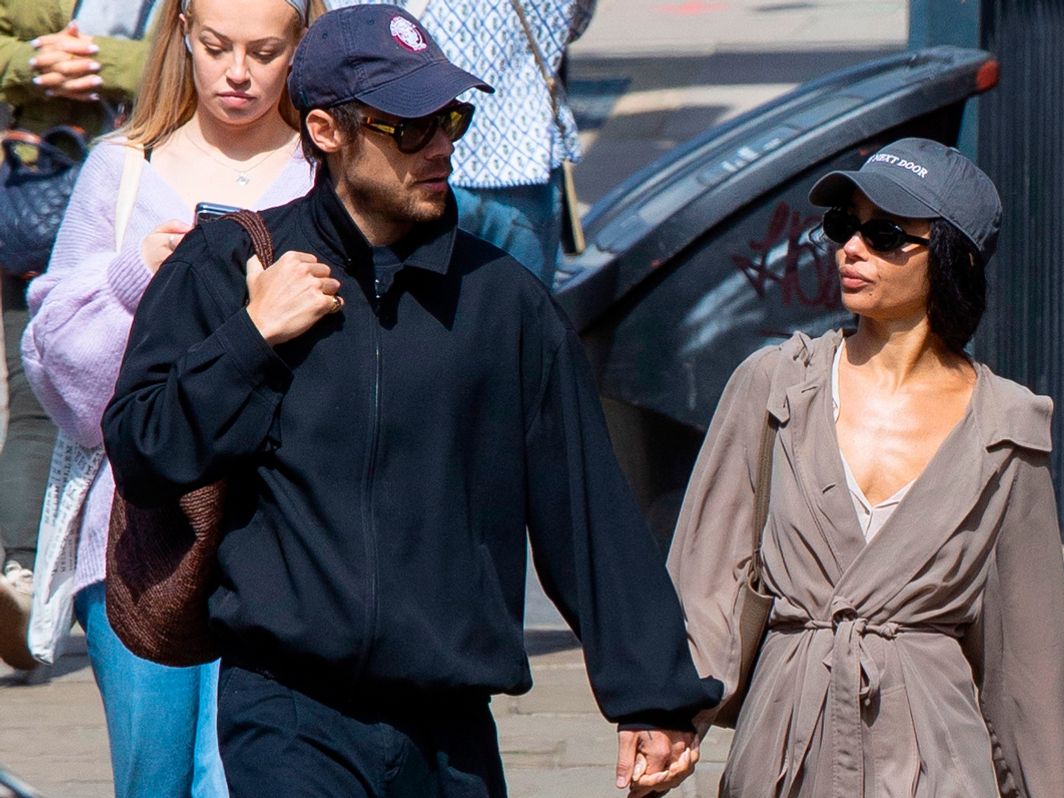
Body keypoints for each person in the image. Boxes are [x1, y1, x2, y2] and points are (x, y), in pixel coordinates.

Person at [101, 6, 720, 798]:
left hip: (452, 730)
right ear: (326, 130)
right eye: (410, 127)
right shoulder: (230, 268)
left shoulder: (506, 305)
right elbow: (144, 452)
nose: (441, 146)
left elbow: (587, 511)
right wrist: (252, 339)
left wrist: (655, 696)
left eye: (450, 118)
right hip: (288, 715)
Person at [667, 138, 1064, 796]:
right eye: (844, 225)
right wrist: (667, 719)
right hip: (784, 753)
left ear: (951, 258)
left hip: (936, 761)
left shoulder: (1005, 430)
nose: (851, 249)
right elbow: (707, 579)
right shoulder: (776, 386)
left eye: (885, 234)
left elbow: (1031, 667)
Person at [21, 0, 324, 793]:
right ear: (183, 30)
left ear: (302, 44)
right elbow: (67, 391)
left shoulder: (322, 170)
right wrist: (138, 282)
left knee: (238, 776)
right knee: (154, 780)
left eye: (266, 52)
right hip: (134, 535)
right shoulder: (122, 171)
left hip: (279, 529)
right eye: (217, 46)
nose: (238, 73)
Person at [0, 0, 155, 674]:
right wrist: (32, 62)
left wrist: (96, 61)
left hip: (141, 192)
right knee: (38, 394)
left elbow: (208, 49)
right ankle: (23, 576)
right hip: (36, 186)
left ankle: (65, 576)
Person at [420, 0, 595, 287]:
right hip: (524, 154)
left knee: (426, 305)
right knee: (524, 306)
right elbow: (575, 21)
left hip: (428, 153)